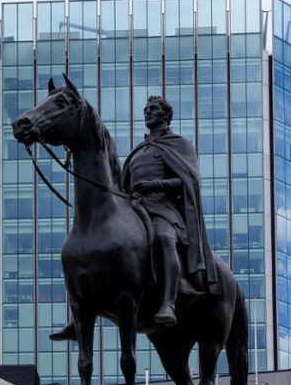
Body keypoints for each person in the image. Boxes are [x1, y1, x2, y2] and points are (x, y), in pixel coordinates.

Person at [51, 95, 218, 340]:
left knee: (164, 239)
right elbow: (121, 185)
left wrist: (154, 185)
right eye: (146, 109)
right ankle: (79, 317)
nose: (147, 113)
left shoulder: (179, 144)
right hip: (136, 209)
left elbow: (189, 180)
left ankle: (168, 303)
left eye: (153, 109)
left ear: (166, 115)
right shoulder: (138, 151)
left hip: (164, 210)